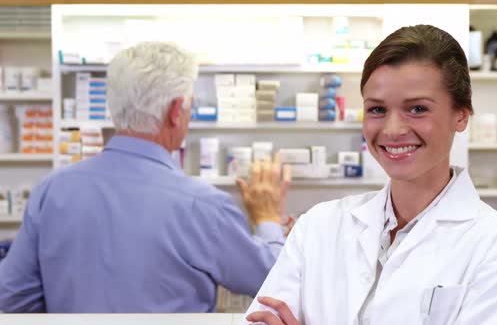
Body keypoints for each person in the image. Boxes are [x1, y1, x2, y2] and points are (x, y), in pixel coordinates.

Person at [243, 25, 497, 325]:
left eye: (418, 109)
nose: (392, 130)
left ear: (460, 115)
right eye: (377, 109)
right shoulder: (318, 226)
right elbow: (260, 318)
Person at [0, 42, 290, 313]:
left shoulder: (52, 190)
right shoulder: (202, 205)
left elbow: (13, 298)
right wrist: (267, 219)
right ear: (177, 111)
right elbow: (273, 283)